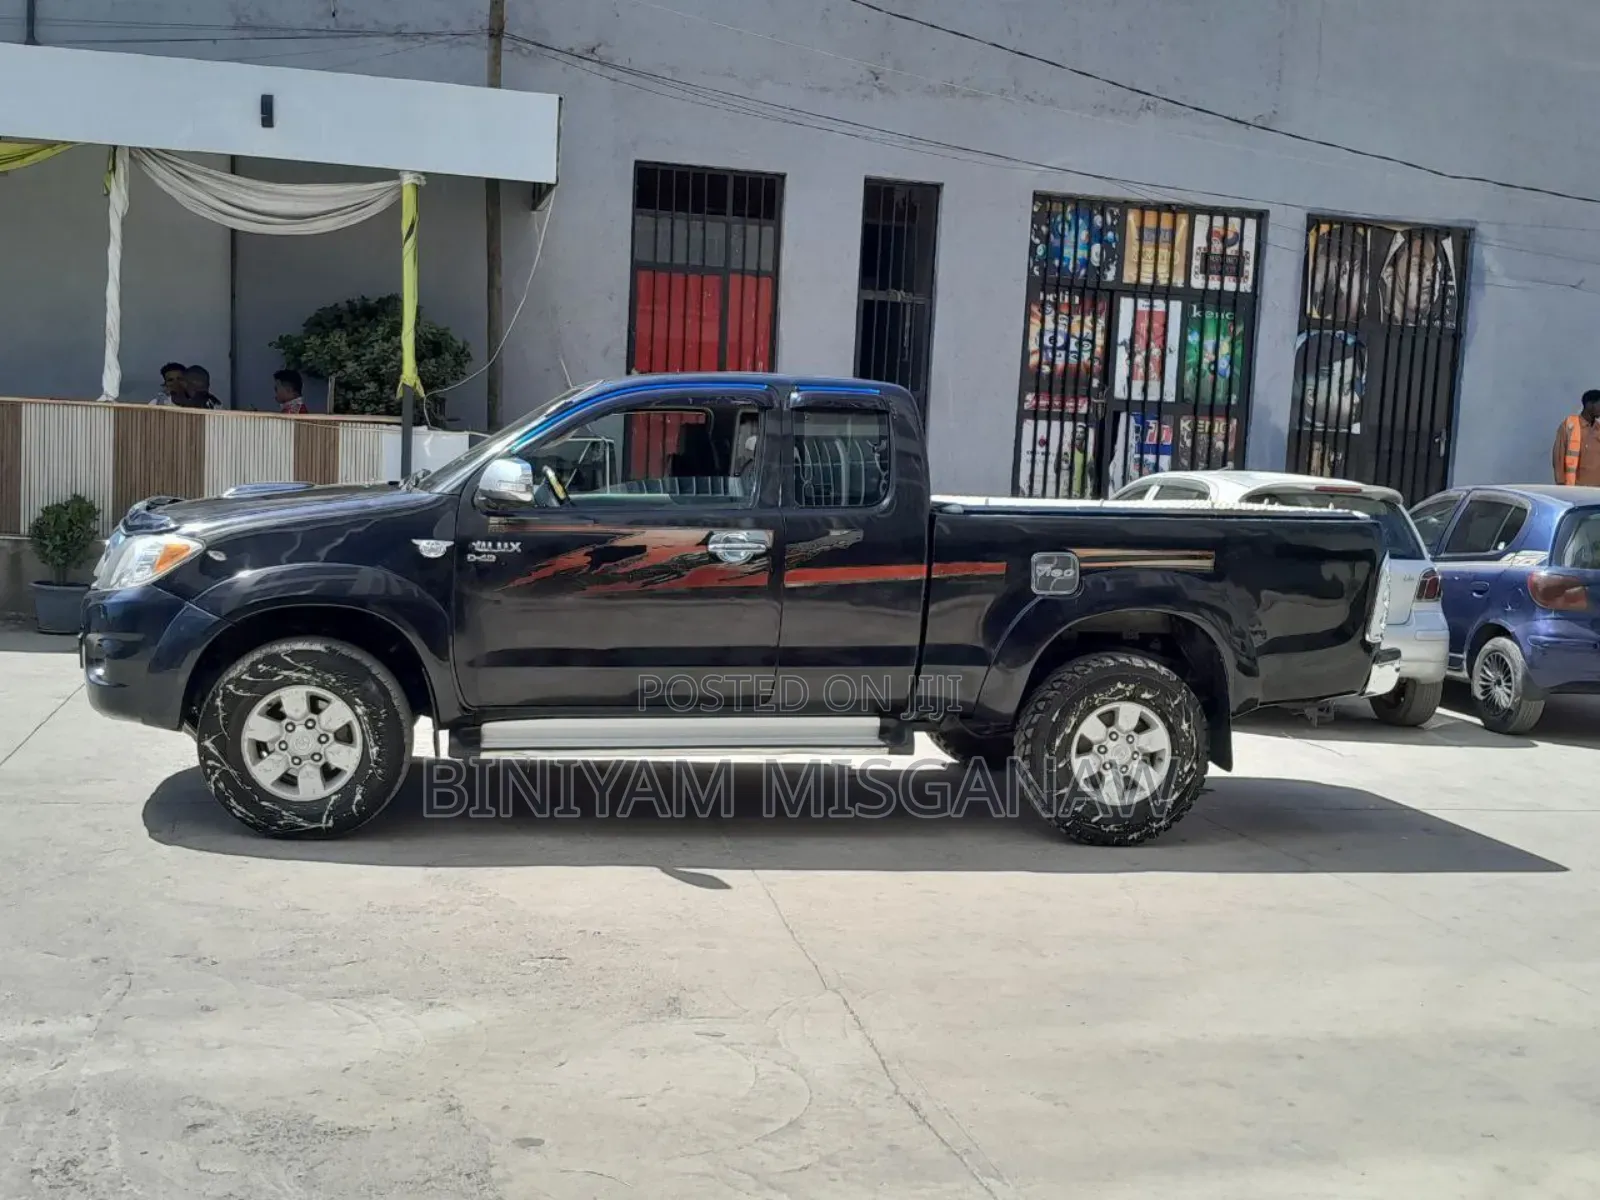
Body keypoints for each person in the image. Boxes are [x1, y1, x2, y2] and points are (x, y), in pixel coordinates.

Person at [1553, 390, 1600, 486]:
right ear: (1589, 404)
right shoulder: (1569, 426)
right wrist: (1561, 485)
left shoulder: (1598, 429)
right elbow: (1558, 458)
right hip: (1576, 489)